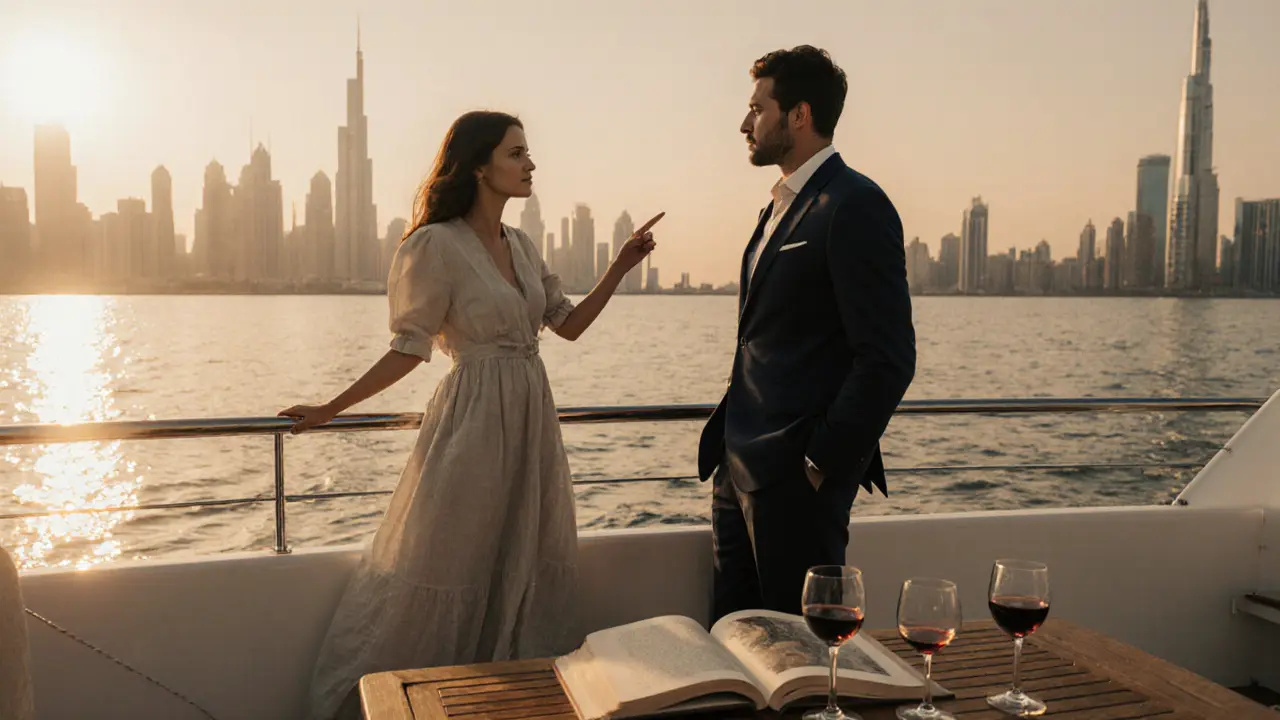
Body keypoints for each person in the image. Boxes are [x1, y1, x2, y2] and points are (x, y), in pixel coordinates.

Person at [279, 110, 657, 720]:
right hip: (474, 424)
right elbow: (409, 349)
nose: (531, 164)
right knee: (451, 561)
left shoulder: (524, 245)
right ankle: (403, 702)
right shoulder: (434, 244)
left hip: (532, 420)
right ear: (479, 166)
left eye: (529, 153)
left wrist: (619, 266)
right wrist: (330, 409)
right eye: (516, 154)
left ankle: (505, 703)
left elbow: (570, 326)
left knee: (523, 560)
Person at [697, 46, 916, 621]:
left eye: (756, 108)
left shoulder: (854, 205)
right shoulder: (777, 208)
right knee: (736, 642)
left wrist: (821, 463)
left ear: (798, 115)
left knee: (801, 659)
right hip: (736, 469)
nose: (746, 123)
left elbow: (888, 358)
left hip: (797, 481)